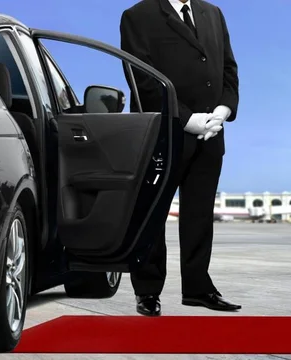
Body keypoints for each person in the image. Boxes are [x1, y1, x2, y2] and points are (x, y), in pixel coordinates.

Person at [120, 0, 242, 316]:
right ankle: (147, 292)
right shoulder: (137, 16)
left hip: (211, 134)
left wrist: (223, 111)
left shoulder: (213, 13)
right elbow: (143, 80)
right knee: (152, 215)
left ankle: (198, 288)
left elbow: (228, 68)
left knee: (199, 216)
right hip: (164, 132)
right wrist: (187, 119)